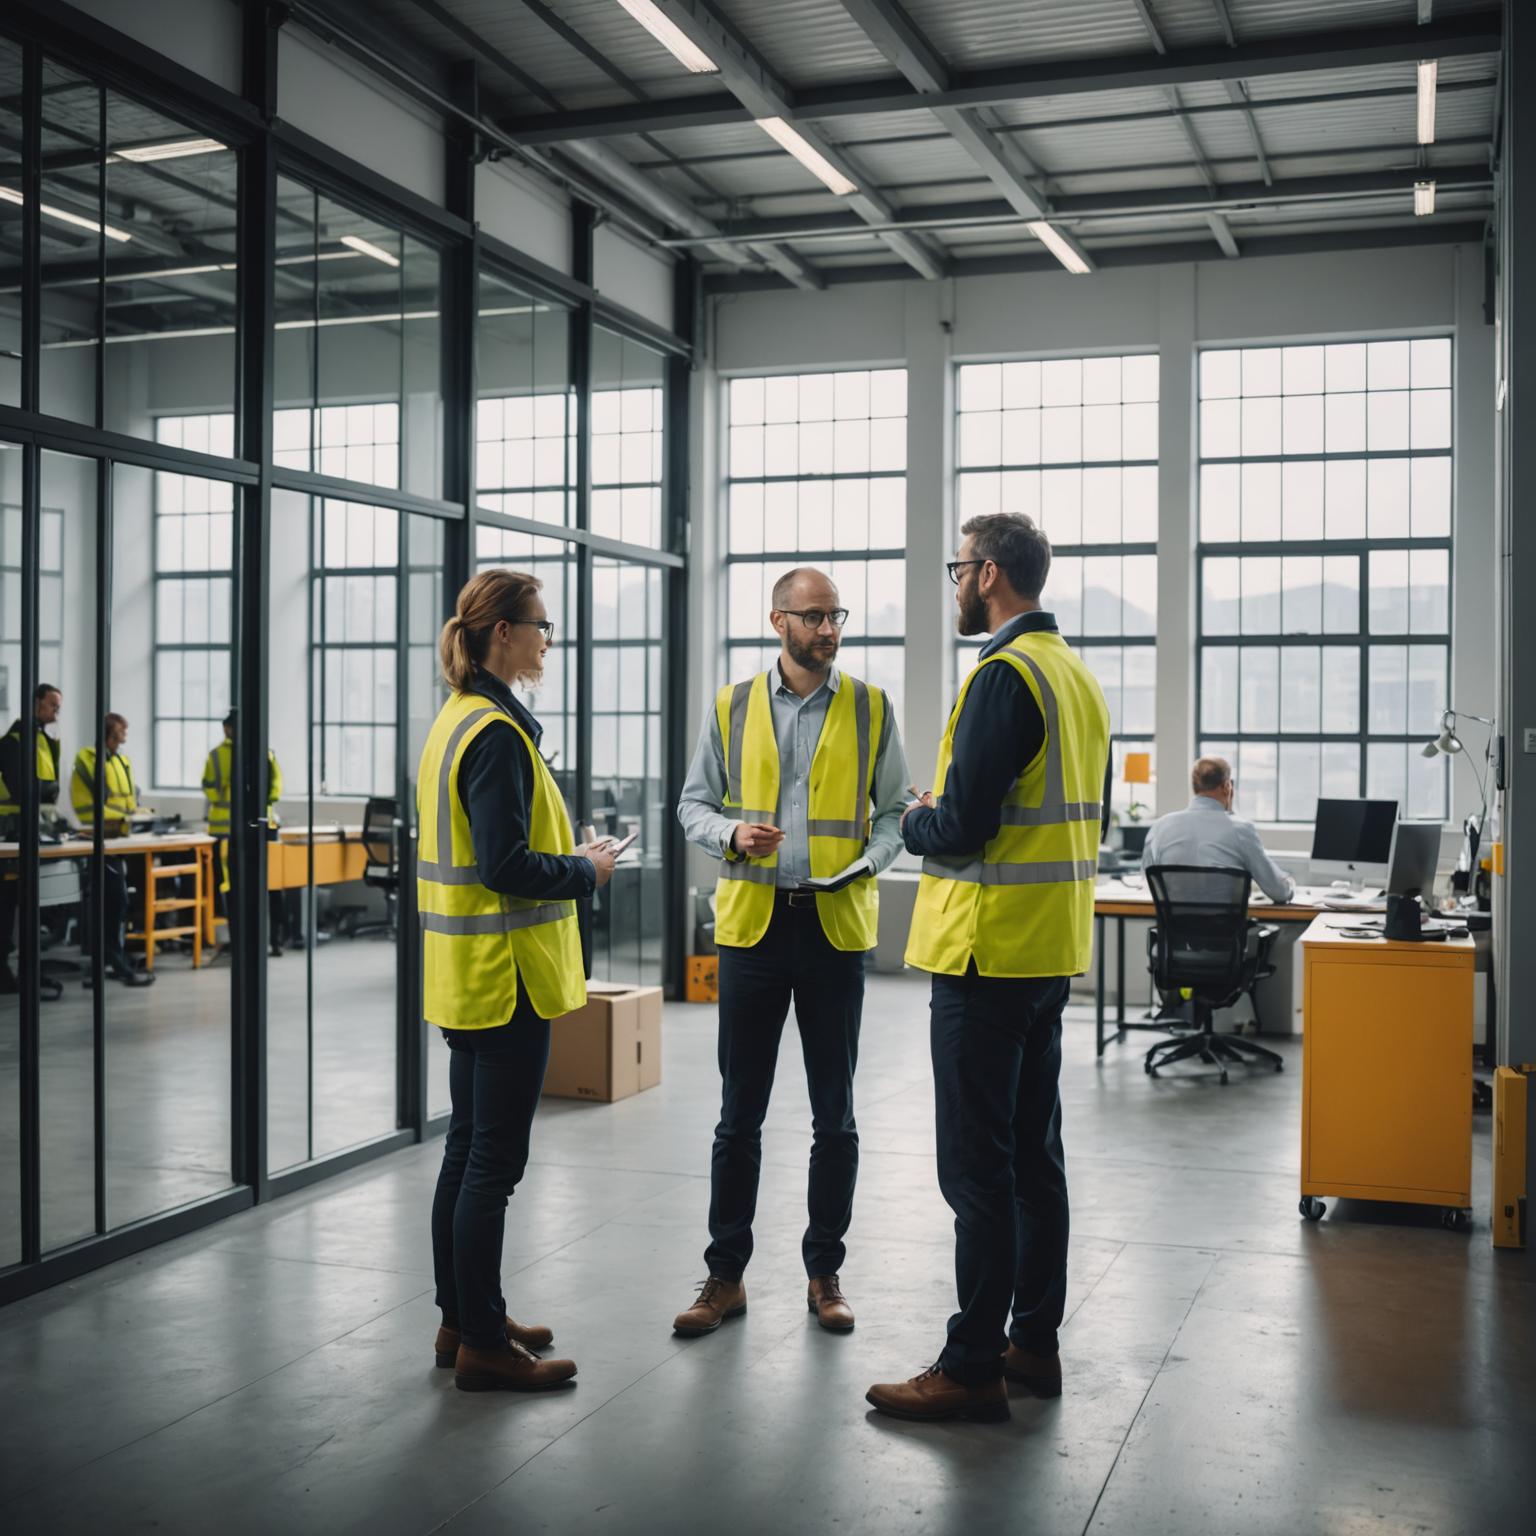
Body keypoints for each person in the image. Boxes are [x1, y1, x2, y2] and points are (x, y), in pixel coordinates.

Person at [867, 512, 1110, 1425]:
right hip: (1047, 950)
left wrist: (914, 816)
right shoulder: (1074, 675)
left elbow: (961, 828)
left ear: (992, 573)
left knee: (977, 1170)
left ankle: (970, 1367)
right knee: (1035, 1159)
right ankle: (1031, 1344)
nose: (954, 583)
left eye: (957, 567)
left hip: (985, 949)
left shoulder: (1005, 676)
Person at [673, 567, 909, 1338]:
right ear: (777, 621)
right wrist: (731, 835)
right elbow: (691, 804)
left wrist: (869, 862)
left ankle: (824, 1272)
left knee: (834, 1117)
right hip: (753, 928)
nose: (829, 630)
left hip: (836, 929)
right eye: (813, 617)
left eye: (835, 616)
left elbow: (895, 813)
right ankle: (724, 1275)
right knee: (738, 1116)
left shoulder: (872, 707)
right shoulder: (732, 706)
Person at [420, 568, 616, 1392]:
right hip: (506, 984)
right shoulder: (495, 735)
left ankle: (464, 1319)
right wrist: (585, 869)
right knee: (491, 1165)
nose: (546, 639)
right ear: (502, 631)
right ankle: (483, 1350)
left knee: (467, 1153)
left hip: (466, 979)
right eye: (540, 625)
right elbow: (504, 864)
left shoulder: (457, 722)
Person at [70, 712, 154, 988]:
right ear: (109, 734)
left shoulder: (120, 761)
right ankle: (110, 963)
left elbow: (128, 801)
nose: (125, 737)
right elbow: (90, 806)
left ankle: (113, 961)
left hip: (120, 840)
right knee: (111, 902)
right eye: (121, 732)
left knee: (119, 903)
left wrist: (142, 815)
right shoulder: (90, 761)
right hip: (100, 841)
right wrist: (123, 820)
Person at [1142, 756, 1296, 903]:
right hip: (1226, 930)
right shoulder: (1241, 829)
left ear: (1194, 787)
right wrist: (1289, 885)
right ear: (1227, 786)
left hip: (1174, 929)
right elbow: (1279, 893)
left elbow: (1149, 881)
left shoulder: (1160, 826)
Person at [202, 713, 292, 956]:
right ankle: (274, 941)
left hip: (228, 830)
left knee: (234, 887)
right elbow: (275, 788)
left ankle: (242, 940)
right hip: (255, 827)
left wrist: (231, 798)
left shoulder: (220, 755)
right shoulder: (264, 752)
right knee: (268, 885)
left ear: (228, 728)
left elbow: (210, 790)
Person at [0, 684, 65, 998]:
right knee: (6, 906)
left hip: (36, 831)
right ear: (35, 703)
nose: (56, 711)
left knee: (33, 904)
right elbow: (22, 786)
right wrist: (46, 789)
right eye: (52, 704)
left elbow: (48, 788)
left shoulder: (43, 741)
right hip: (10, 835)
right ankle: (5, 972)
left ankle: (31, 970)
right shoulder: (13, 742)